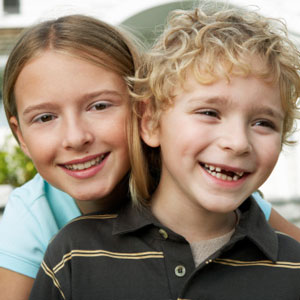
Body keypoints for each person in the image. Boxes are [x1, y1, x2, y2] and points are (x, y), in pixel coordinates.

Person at [29, 5, 300, 300]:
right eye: (209, 112)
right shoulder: (73, 254)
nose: (237, 142)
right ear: (151, 122)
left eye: (263, 122)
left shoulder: (293, 267)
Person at [0, 14, 139, 300]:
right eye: (45, 117)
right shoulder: (32, 214)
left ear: (143, 108)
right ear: (21, 136)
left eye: (99, 106)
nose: (76, 138)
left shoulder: (194, 194)